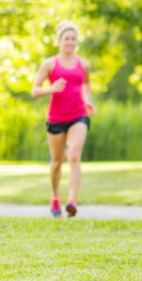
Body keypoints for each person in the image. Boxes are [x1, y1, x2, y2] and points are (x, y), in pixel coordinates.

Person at [31, 20, 96, 218]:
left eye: (73, 39)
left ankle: (72, 201)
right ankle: (55, 195)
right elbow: (34, 90)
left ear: (77, 42)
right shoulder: (50, 64)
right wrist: (51, 89)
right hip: (56, 117)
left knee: (74, 156)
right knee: (57, 162)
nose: (70, 42)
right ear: (59, 41)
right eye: (66, 38)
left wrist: (88, 99)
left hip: (78, 115)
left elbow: (86, 85)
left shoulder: (84, 64)